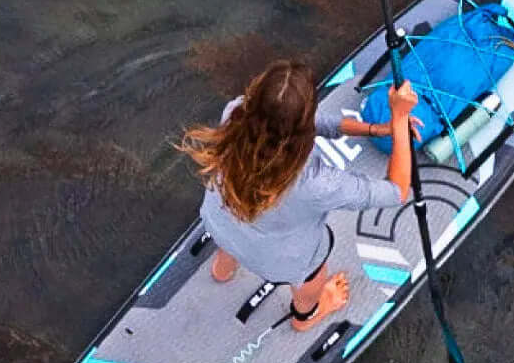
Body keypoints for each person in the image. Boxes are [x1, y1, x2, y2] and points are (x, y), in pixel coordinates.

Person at [178, 60, 420, 331]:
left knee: (235, 224)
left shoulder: (236, 112)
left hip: (218, 222)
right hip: (281, 262)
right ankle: (306, 316)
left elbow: (293, 122)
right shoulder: (319, 184)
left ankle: (222, 270)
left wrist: (376, 129)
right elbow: (397, 191)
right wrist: (398, 121)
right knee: (311, 279)